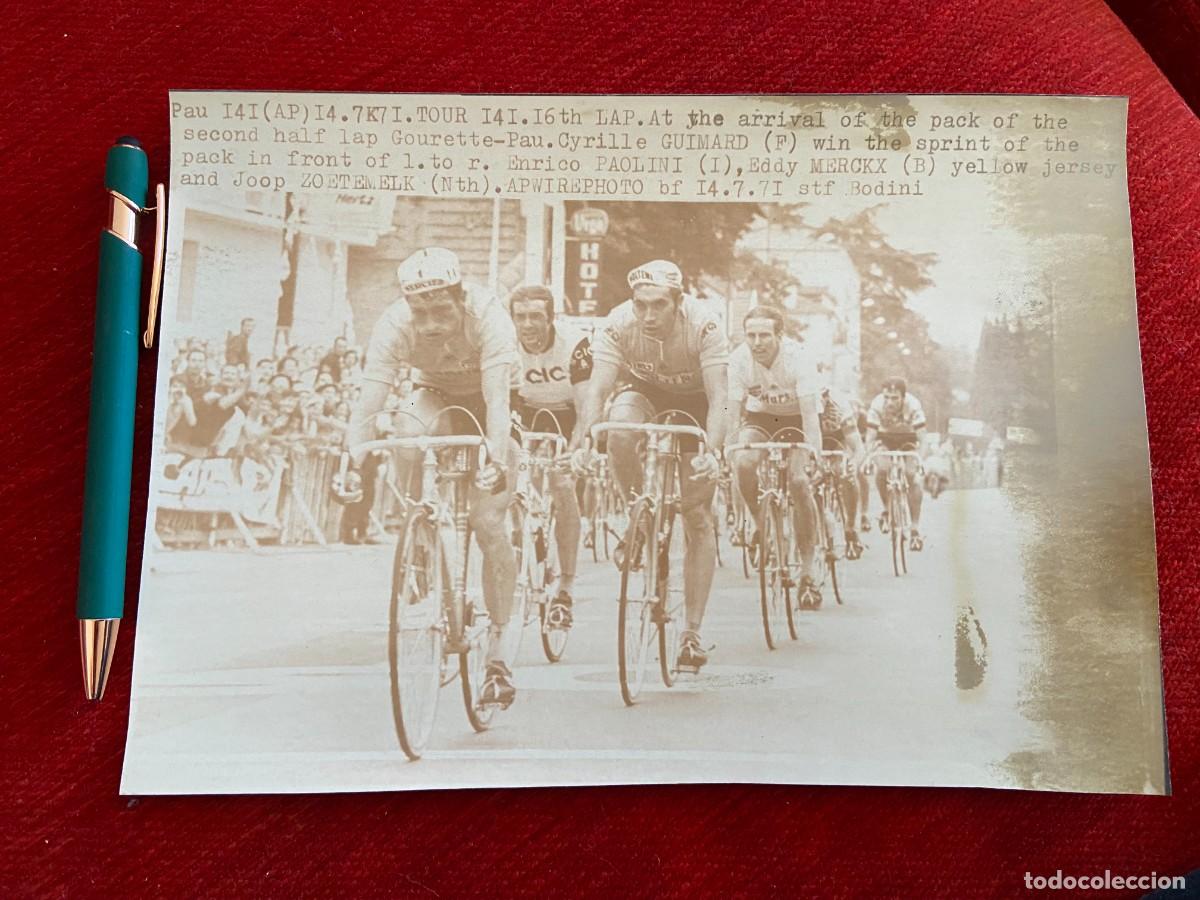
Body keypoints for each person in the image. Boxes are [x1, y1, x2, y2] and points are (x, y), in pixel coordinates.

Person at [350, 247, 520, 707]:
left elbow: (499, 402)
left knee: (487, 524)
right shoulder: (393, 324)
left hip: (493, 403)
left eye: (441, 311)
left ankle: (500, 657)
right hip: (433, 394)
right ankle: (421, 531)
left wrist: (497, 460)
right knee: (406, 431)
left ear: (461, 297)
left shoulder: (489, 315)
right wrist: (354, 458)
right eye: (420, 313)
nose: (429, 325)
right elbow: (371, 399)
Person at [572, 259, 728, 671]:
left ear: (679, 301)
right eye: (641, 305)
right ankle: (638, 516)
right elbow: (598, 390)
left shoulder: (705, 325)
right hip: (645, 391)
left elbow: (720, 398)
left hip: (697, 401)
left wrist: (713, 452)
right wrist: (589, 438)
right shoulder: (618, 323)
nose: (648, 316)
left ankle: (691, 634)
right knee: (618, 428)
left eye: (659, 305)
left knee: (696, 514)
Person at [726, 306, 825, 608]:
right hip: (762, 418)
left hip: (796, 420)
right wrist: (728, 449)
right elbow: (732, 411)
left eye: (764, 335)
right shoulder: (739, 359)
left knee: (798, 482)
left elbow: (810, 416)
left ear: (779, 336)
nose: (757, 342)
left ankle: (807, 574)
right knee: (743, 461)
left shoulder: (799, 358)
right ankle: (761, 524)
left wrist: (814, 456)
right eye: (751, 335)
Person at [508, 284, 592, 627]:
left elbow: (587, 405)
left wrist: (574, 449)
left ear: (551, 318)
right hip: (523, 409)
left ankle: (566, 588)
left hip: (566, 411)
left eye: (536, 317)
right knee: (506, 476)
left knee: (561, 484)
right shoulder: (503, 342)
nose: (528, 325)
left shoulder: (574, 343)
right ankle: (518, 538)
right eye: (520, 317)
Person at [864, 376, 928, 550]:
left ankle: (915, 528)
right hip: (884, 437)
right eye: (887, 397)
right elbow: (869, 436)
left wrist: (919, 460)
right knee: (882, 469)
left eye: (895, 398)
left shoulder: (913, 405)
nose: (890, 402)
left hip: (908, 438)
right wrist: (868, 456)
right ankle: (886, 509)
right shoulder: (877, 405)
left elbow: (923, 439)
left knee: (911, 475)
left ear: (903, 397)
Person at [817, 387, 866, 560]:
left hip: (836, 441)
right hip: (810, 440)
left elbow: (858, 447)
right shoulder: (796, 403)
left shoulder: (841, 407)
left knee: (845, 474)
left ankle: (850, 528)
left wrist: (853, 463)